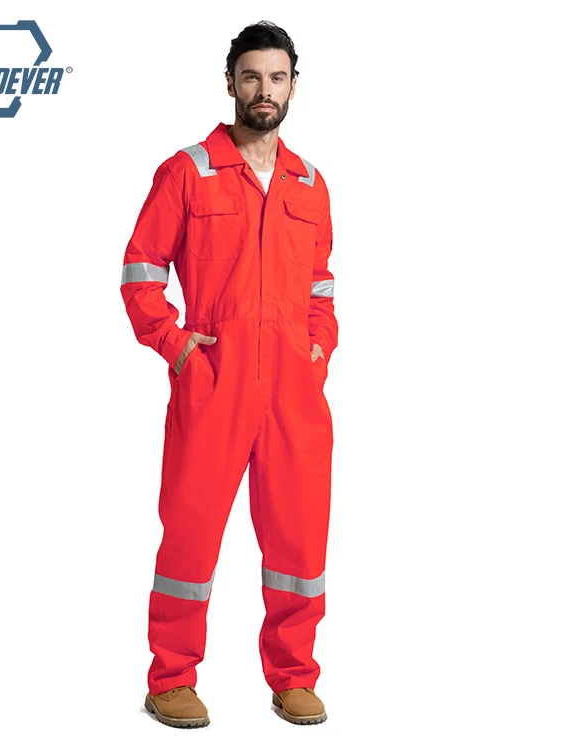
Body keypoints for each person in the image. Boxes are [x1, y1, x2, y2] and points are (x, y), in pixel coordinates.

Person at [119, 20, 337, 728]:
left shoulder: (310, 183)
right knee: (189, 534)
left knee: (299, 540)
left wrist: (318, 348)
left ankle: (294, 675)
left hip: (295, 393)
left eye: (276, 77)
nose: (263, 90)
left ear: (294, 86)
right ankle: (171, 678)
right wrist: (178, 347)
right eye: (251, 77)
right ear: (231, 83)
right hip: (214, 382)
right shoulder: (188, 171)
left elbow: (321, 287)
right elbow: (141, 272)